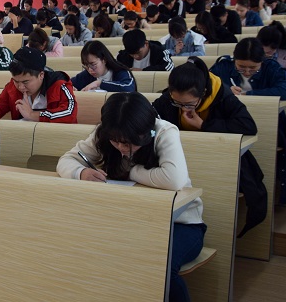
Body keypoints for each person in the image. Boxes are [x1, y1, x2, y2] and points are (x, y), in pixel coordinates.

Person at [56, 92, 206, 302]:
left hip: (181, 224)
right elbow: (66, 160)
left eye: (128, 143)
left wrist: (129, 171)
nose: (121, 148)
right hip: (134, 222)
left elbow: (174, 179)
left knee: (161, 267)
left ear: (144, 133)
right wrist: (81, 172)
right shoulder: (107, 132)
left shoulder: (164, 131)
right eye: (116, 142)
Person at [153, 57, 265, 237]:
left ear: (203, 93)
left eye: (189, 104)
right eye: (178, 103)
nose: (183, 109)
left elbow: (248, 126)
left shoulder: (222, 95)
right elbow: (151, 118)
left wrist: (203, 125)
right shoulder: (170, 97)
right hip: (183, 161)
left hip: (217, 162)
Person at [209, 38, 286, 205]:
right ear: (234, 59)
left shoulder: (272, 67)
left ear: (262, 62)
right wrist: (225, 89)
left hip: (269, 124)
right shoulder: (224, 66)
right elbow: (206, 83)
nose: (247, 72)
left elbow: (284, 91)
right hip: (231, 124)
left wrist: (248, 94)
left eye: (253, 68)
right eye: (241, 67)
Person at [0, 47, 77, 123]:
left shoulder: (59, 84)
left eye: (25, 82)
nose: (20, 87)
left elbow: (69, 114)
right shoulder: (12, 86)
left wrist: (31, 114)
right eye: (16, 81)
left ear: (41, 75)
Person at [71, 41, 136, 92]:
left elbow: (128, 88)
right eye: (86, 65)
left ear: (104, 60)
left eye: (93, 64)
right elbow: (68, 83)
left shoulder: (120, 71)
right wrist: (71, 88)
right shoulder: (87, 74)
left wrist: (99, 83)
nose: (90, 70)